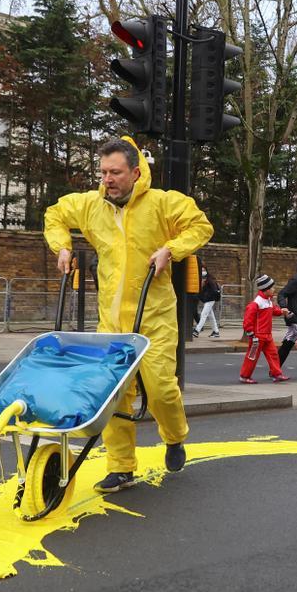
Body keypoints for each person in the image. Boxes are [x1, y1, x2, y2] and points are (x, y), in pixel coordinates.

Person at [44, 137, 213, 493]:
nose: (107, 179)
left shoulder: (163, 204)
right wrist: (61, 245)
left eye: (115, 172)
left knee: (162, 389)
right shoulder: (91, 206)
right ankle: (121, 467)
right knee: (114, 396)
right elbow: (55, 213)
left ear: (135, 173)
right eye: (103, 172)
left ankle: (174, 436)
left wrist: (172, 248)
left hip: (155, 318)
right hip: (112, 322)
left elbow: (200, 226)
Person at [240, 274, 290, 383]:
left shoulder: (268, 300)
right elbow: (248, 320)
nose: (274, 289)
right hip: (257, 336)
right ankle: (244, 376)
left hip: (267, 335)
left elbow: (274, 310)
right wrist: (250, 333)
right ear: (266, 289)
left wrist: (282, 311)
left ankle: (276, 374)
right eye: (272, 287)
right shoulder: (256, 303)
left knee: (273, 355)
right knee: (252, 356)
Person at [193, 267, 221, 338]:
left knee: (203, 314)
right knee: (211, 316)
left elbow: (214, 290)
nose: (203, 271)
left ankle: (197, 330)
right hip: (208, 300)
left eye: (204, 270)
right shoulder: (203, 279)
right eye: (201, 270)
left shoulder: (209, 279)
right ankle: (216, 331)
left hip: (210, 299)